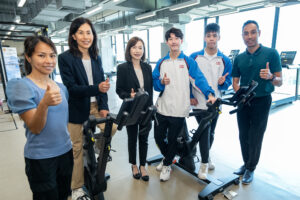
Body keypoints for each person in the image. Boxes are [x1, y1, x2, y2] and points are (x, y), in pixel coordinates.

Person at [6, 36, 73, 200]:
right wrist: (44, 104)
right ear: (28, 57)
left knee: (64, 195)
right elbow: (35, 127)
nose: (49, 60)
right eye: (41, 55)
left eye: (52, 55)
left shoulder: (61, 87)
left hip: (65, 153)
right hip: (41, 159)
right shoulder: (21, 86)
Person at [58, 17, 116, 199]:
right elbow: (72, 88)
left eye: (88, 32)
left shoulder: (95, 58)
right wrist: (96, 88)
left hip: (96, 107)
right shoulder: (65, 58)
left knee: (111, 128)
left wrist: (104, 106)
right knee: (77, 150)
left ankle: (96, 152)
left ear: (93, 35)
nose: (85, 36)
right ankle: (76, 188)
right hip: (77, 109)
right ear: (73, 36)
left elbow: (103, 86)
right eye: (81, 32)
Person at [152, 27, 216, 182]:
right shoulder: (161, 62)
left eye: (177, 38)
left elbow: (198, 79)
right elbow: (155, 84)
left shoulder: (188, 61)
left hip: (179, 109)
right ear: (167, 42)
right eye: (170, 39)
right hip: (162, 107)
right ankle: (168, 157)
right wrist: (161, 82)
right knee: (159, 138)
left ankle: (167, 164)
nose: (173, 41)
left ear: (181, 41)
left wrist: (209, 93)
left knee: (173, 139)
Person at [232, 20, 282, 184]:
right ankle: (246, 163)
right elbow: (235, 81)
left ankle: (251, 168)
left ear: (259, 33)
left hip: (262, 101)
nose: (249, 36)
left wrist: (271, 77)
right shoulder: (239, 58)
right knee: (243, 135)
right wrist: (239, 93)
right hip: (243, 101)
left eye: (253, 32)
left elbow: (279, 81)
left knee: (255, 136)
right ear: (242, 36)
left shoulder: (271, 53)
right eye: (246, 33)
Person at [189, 23, 232, 179]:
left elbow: (227, 83)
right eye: (209, 35)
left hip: (215, 103)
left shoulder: (225, 60)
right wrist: (190, 96)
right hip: (198, 102)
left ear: (219, 37)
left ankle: (206, 156)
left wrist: (223, 83)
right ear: (204, 37)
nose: (211, 39)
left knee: (211, 132)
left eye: (214, 35)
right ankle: (204, 163)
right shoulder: (195, 56)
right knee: (203, 131)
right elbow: (189, 78)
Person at [116, 36, 153, 182]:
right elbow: (119, 90)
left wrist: (151, 107)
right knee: (132, 138)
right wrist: (129, 95)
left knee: (144, 138)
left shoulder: (147, 67)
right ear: (129, 49)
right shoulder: (123, 68)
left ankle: (143, 165)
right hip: (131, 109)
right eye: (134, 47)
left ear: (143, 50)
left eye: (140, 48)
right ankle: (134, 165)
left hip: (146, 109)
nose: (137, 51)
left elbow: (149, 89)